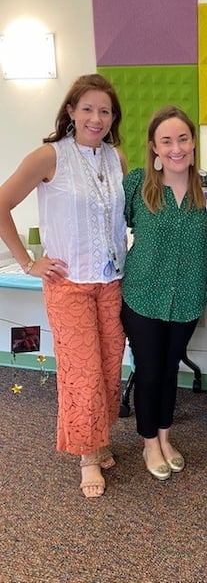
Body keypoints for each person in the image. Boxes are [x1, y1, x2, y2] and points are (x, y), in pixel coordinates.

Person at [0, 74, 127, 498]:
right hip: (68, 285)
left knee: (110, 367)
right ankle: (87, 456)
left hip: (111, 283)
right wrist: (27, 261)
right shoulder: (49, 156)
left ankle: (100, 437)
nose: (96, 117)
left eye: (105, 110)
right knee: (83, 373)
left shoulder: (117, 160)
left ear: (113, 118)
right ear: (70, 111)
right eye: (87, 108)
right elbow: (3, 203)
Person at [121, 106, 207, 481]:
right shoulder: (137, 184)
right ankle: (148, 442)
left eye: (183, 139)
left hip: (188, 295)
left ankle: (164, 436)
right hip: (143, 294)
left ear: (193, 142)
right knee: (149, 370)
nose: (176, 148)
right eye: (167, 141)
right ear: (154, 147)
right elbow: (116, 226)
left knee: (170, 369)